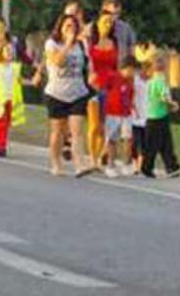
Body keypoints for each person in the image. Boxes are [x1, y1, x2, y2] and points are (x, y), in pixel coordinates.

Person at [44, 14, 92, 177]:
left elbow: (87, 66)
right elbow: (57, 62)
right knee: (57, 131)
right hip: (56, 93)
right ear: (60, 27)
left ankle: (79, 164)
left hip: (78, 92)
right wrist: (67, 44)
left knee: (77, 130)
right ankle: (56, 163)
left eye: (73, 26)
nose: (70, 29)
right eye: (67, 26)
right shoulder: (52, 44)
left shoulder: (81, 44)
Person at [142, 56, 180, 178]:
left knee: (152, 144)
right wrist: (173, 104)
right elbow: (165, 96)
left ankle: (151, 166)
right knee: (165, 143)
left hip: (150, 115)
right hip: (160, 116)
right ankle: (169, 166)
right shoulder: (161, 81)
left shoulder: (149, 82)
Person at [88, 11, 118, 170]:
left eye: (110, 23)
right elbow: (86, 63)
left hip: (110, 87)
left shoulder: (113, 43)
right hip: (94, 87)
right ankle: (92, 158)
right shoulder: (90, 43)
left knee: (103, 126)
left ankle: (99, 158)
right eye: (105, 22)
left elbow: (115, 66)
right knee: (94, 125)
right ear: (97, 23)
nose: (108, 25)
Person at [101, 57, 137, 178]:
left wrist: (132, 107)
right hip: (112, 114)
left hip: (126, 114)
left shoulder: (130, 82)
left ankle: (126, 163)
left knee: (128, 138)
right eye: (131, 70)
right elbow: (103, 89)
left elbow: (131, 95)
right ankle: (111, 165)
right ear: (124, 68)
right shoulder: (113, 77)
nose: (132, 73)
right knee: (112, 140)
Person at [102, 0, 136, 68]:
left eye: (116, 14)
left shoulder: (126, 29)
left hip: (120, 70)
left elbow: (132, 50)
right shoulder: (94, 28)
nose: (113, 17)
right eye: (110, 13)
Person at [130, 58, 150, 174]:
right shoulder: (135, 81)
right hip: (135, 117)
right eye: (144, 70)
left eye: (149, 70)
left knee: (144, 143)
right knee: (134, 142)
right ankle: (134, 163)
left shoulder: (152, 83)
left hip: (147, 117)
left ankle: (140, 166)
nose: (146, 73)